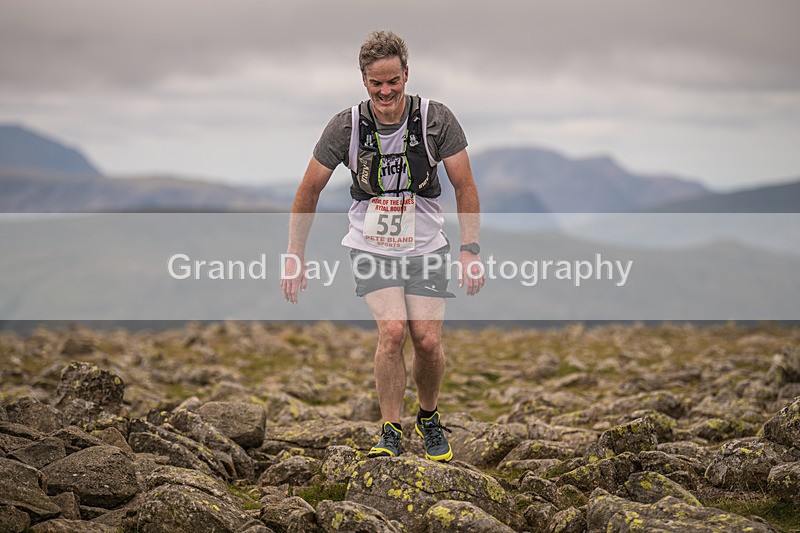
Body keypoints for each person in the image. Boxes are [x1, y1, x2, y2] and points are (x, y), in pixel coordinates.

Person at [281, 30, 484, 462]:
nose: (386, 90)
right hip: (370, 243)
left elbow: (465, 185)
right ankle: (391, 429)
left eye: (393, 80)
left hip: (427, 244)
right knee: (392, 333)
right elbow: (309, 189)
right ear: (364, 81)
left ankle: (428, 418)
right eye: (377, 83)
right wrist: (294, 256)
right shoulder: (346, 127)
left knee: (427, 340)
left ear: (407, 74)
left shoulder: (436, 119)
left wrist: (470, 251)